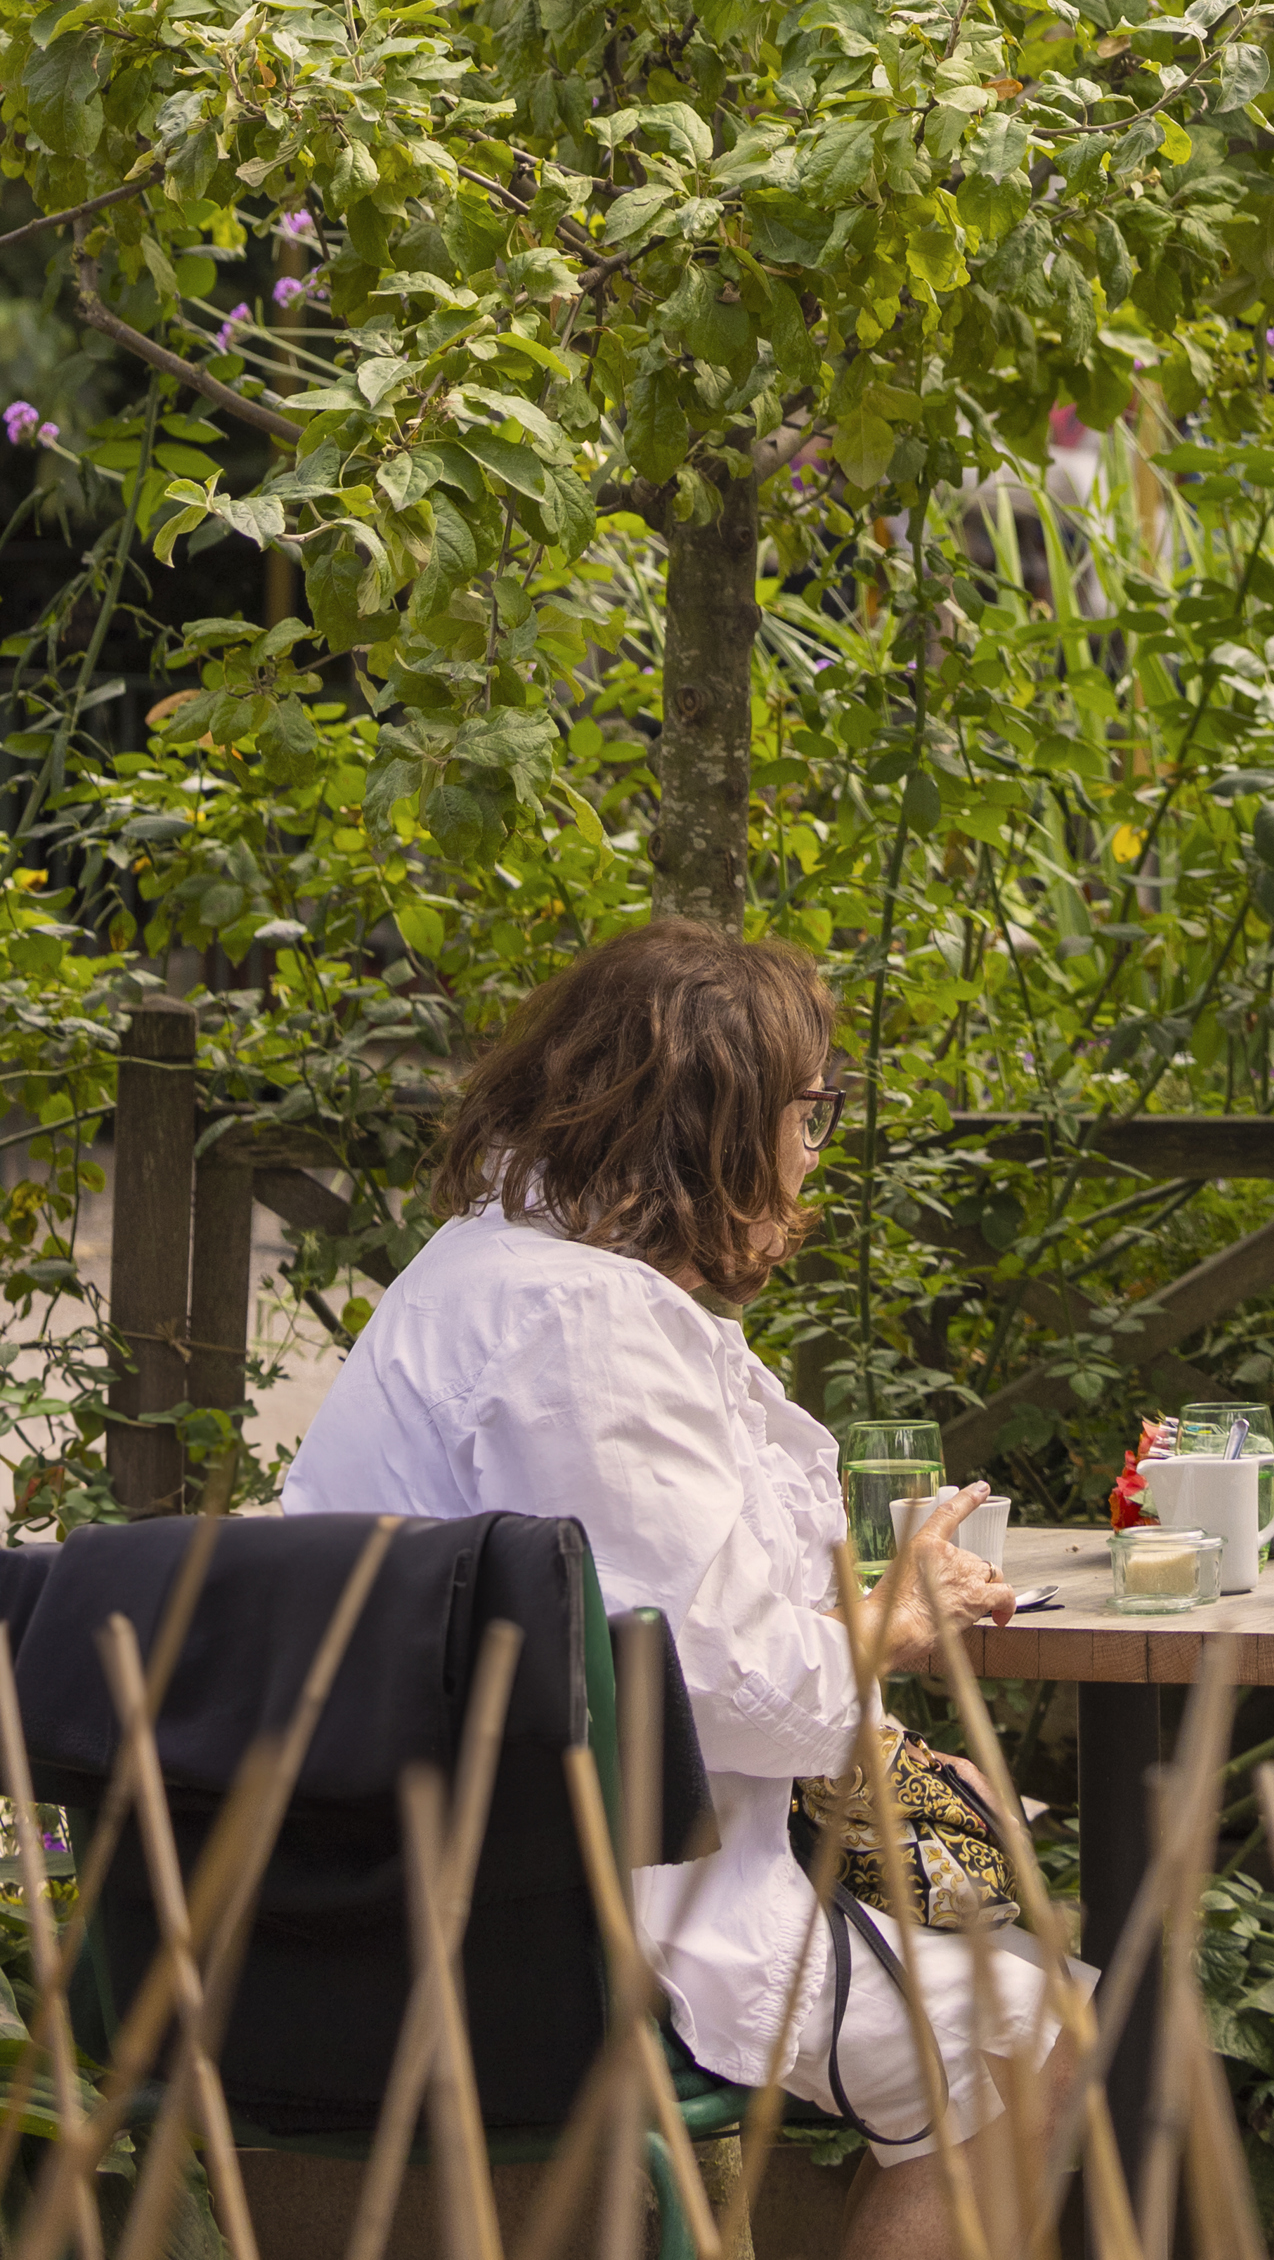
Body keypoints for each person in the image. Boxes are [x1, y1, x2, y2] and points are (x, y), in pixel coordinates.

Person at [284, 923, 1069, 2257]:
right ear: (716, 1120)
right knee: (1039, 2048)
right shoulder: (585, 1324)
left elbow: (643, 1616)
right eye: (809, 1110)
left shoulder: (489, 1274)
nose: (815, 1148)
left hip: (378, 1882)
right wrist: (899, 1618)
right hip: (553, 1916)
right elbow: (720, 1687)